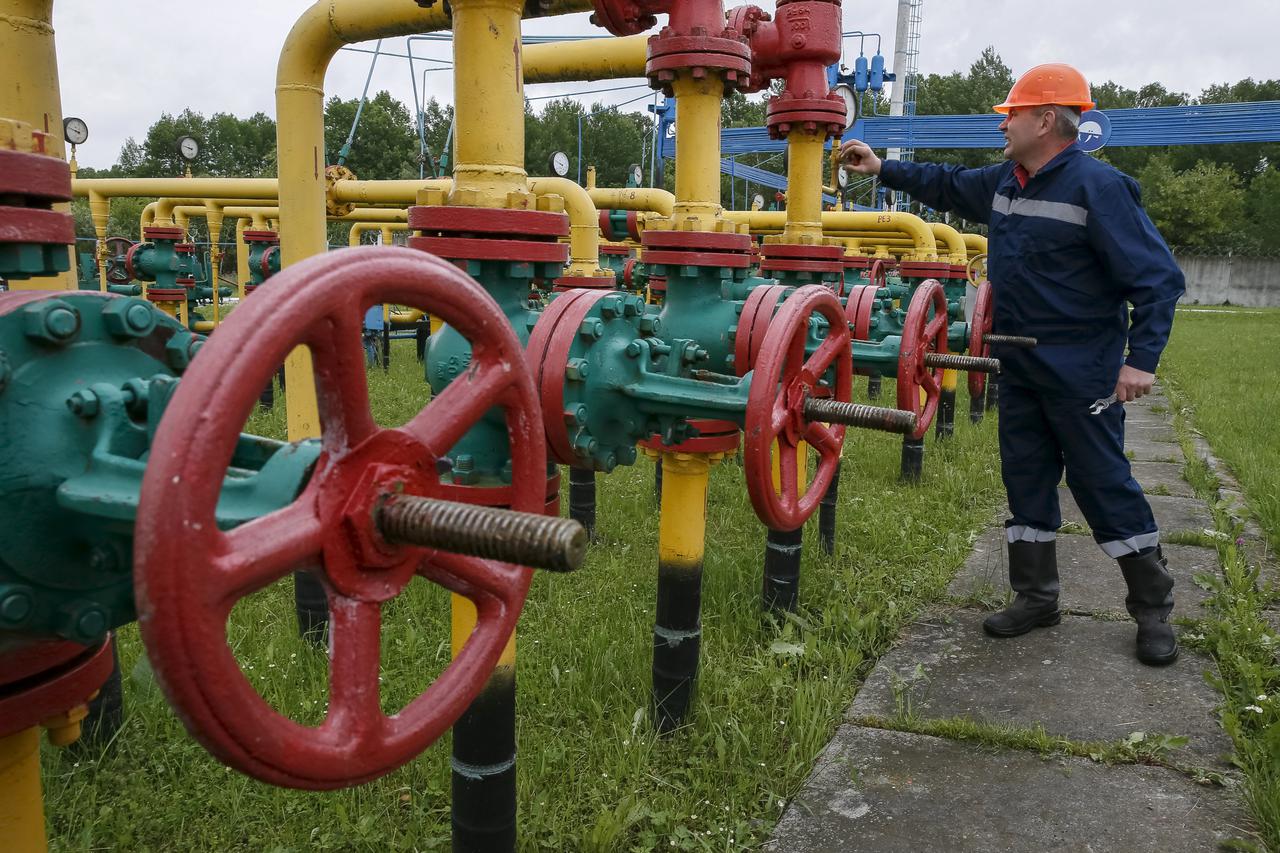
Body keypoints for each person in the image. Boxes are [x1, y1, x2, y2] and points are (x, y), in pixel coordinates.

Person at [841, 63, 1185, 665]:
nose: (1004, 124)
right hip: (1017, 365)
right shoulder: (1007, 180)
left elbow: (1158, 282)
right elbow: (946, 184)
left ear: (1046, 120)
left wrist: (1141, 361)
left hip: (1082, 370)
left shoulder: (1099, 189)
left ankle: (1153, 608)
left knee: (1101, 483)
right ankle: (1036, 597)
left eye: (1012, 115)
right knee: (1025, 479)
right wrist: (882, 167)